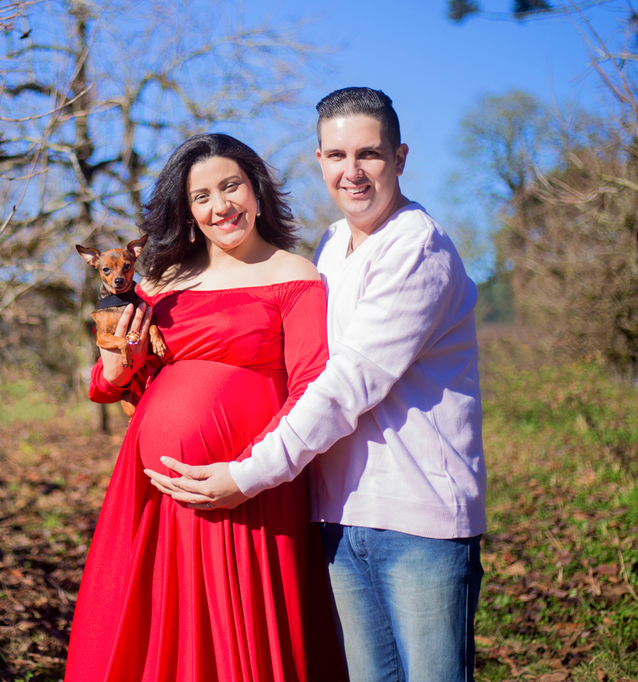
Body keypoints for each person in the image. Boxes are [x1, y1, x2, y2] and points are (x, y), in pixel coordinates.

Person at [148, 88, 487, 682]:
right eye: (336, 156)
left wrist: (244, 475)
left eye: (369, 155)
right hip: (337, 515)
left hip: (416, 520)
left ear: (400, 158)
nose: (351, 173)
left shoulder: (417, 248)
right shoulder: (332, 248)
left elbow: (346, 384)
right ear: (319, 161)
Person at [65, 133, 345, 682]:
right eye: (201, 196)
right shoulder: (162, 281)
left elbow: (312, 386)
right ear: (187, 212)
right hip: (157, 493)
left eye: (230, 186)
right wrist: (117, 367)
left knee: (239, 638)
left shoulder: (295, 275)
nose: (220, 206)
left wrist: (246, 475)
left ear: (257, 189)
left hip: (247, 490)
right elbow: (110, 381)